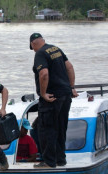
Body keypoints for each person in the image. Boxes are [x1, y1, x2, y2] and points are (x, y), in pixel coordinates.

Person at [29, 33, 78, 168]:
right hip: (65, 95)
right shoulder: (55, 49)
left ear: (33, 44)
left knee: (46, 129)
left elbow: (44, 73)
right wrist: (72, 86)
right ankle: (60, 160)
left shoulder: (40, 53)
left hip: (52, 98)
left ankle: (49, 162)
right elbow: (70, 67)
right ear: (43, 40)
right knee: (61, 128)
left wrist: (43, 93)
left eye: (32, 47)